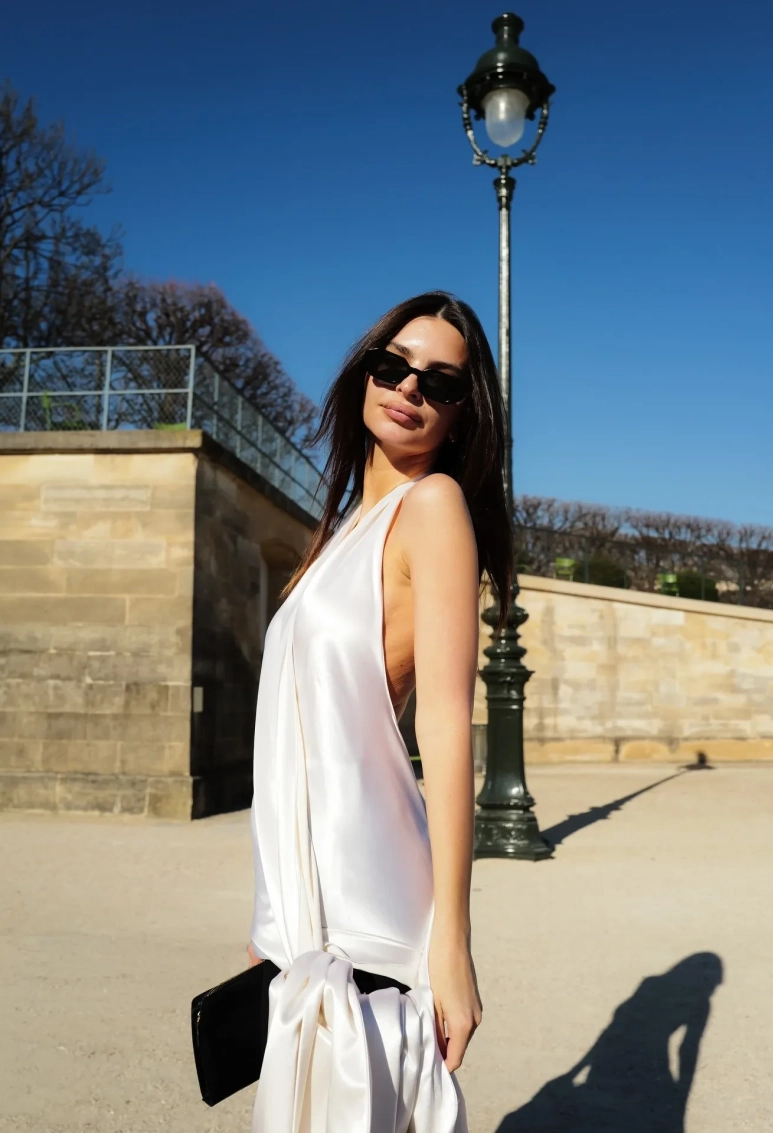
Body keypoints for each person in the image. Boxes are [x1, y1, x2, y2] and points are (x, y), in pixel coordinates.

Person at [247, 291, 512, 1132]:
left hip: (369, 897)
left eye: (441, 382)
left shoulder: (432, 508)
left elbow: (446, 727)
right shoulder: (341, 531)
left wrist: (452, 944)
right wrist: (270, 906)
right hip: (309, 902)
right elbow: (293, 742)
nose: (410, 388)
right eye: (392, 365)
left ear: (462, 416)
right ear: (364, 371)